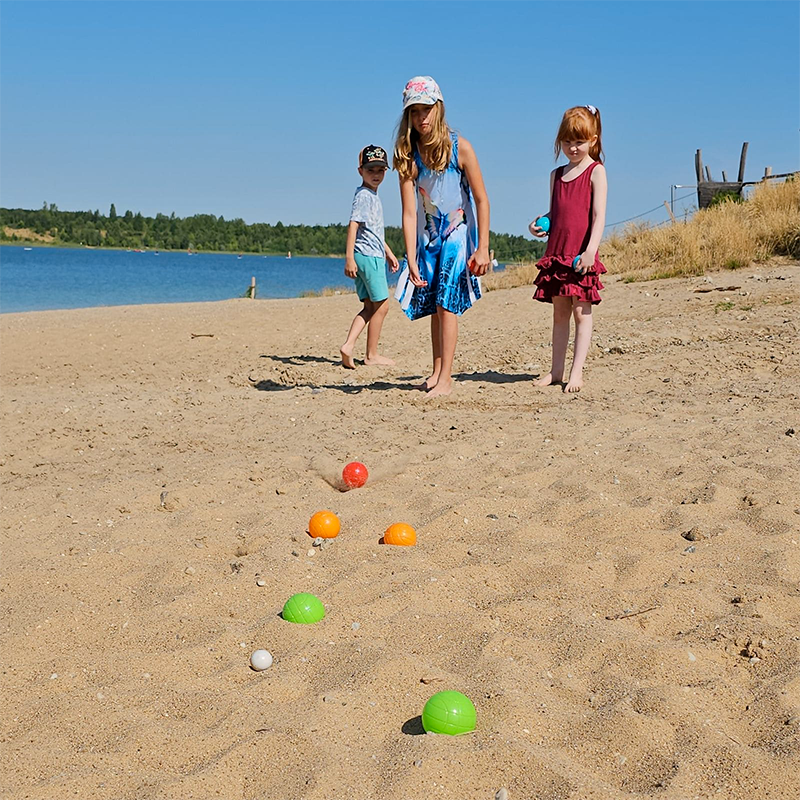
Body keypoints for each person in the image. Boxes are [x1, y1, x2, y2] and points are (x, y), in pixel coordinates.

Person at [393, 76, 491, 397]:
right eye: (415, 111)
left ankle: (447, 377)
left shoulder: (460, 147)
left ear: (439, 108)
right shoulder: (409, 155)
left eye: (427, 109)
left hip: (459, 233)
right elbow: (409, 213)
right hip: (429, 240)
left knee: (447, 303)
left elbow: (480, 199)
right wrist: (411, 255)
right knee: (436, 304)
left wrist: (483, 248)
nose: (422, 118)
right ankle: (436, 371)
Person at [529, 105, 607, 393]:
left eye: (579, 142)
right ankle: (556, 371)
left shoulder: (596, 172)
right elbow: (555, 213)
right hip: (557, 252)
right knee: (559, 313)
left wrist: (590, 251)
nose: (573, 148)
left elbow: (598, 217)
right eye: (567, 142)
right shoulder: (556, 175)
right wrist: (540, 225)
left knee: (581, 312)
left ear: (593, 140)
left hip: (581, 253)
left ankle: (577, 373)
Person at [340, 144, 400, 369]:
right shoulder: (365, 196)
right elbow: (353, 226)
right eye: (370, 170)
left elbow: (373, 231)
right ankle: (371, 355)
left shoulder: (371, 196)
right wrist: (349, 258)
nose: (376, 175)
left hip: (371, 254)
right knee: (382, 306)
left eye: (380, 170)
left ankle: (348, 345)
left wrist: (389, 253)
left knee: (369, 307)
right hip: (368, 257)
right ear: (360, 171)